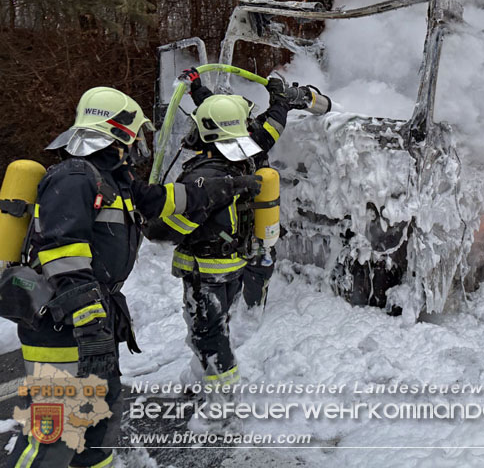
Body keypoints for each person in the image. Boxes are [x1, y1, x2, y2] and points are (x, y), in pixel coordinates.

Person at [8, 87, 259, 468]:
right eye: (136, 134)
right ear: (118, 130)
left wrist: (226, 188)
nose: (138, 144)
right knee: (53, 437)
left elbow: (164, 199)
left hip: (94, 325)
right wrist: (89, 318)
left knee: (98, 427)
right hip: (61, 330)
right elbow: (63, 254)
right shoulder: (74, 177)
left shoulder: (113, 180)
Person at [145, 68, 293, 391]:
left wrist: (148, 219)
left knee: (208, 335)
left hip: (203, 271)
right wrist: (279, 97)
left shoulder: (202, 177)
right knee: (213, 329)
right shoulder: (251, 150)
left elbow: (168, 229)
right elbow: (221, 116)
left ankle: (223, 405)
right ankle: (201, 377)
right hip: (234, 266)